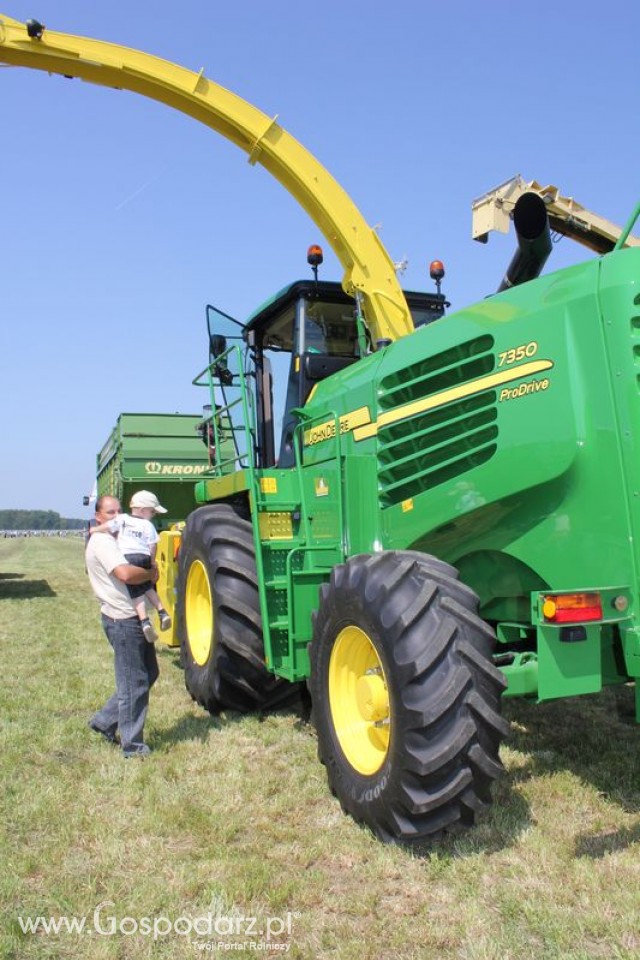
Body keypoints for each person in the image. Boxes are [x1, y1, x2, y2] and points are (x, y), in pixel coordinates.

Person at [85, 494, 160, 758]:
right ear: (98, 517)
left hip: (130, 618)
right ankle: (133, 746)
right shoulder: (103, 542)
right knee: (134, 682)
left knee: (148, 673)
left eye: (119, 511)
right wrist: (151, 573)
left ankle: (104, 721)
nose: (116, 516)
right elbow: (126, 574)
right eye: (110, 512)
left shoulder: (118, 538)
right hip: (122, 619)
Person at [89, 489, 171, 644]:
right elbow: (153, 545)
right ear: (142, 510)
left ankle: (144, 621)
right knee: (148, 587)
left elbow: (107, 527)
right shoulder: (147, 524)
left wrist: (94, 529)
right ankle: (162, 611)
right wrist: (152, 563)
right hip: (144, 556)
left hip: (129, 556)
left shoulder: (123, 519)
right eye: (152, 511)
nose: (153, 514)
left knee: (136, 592)